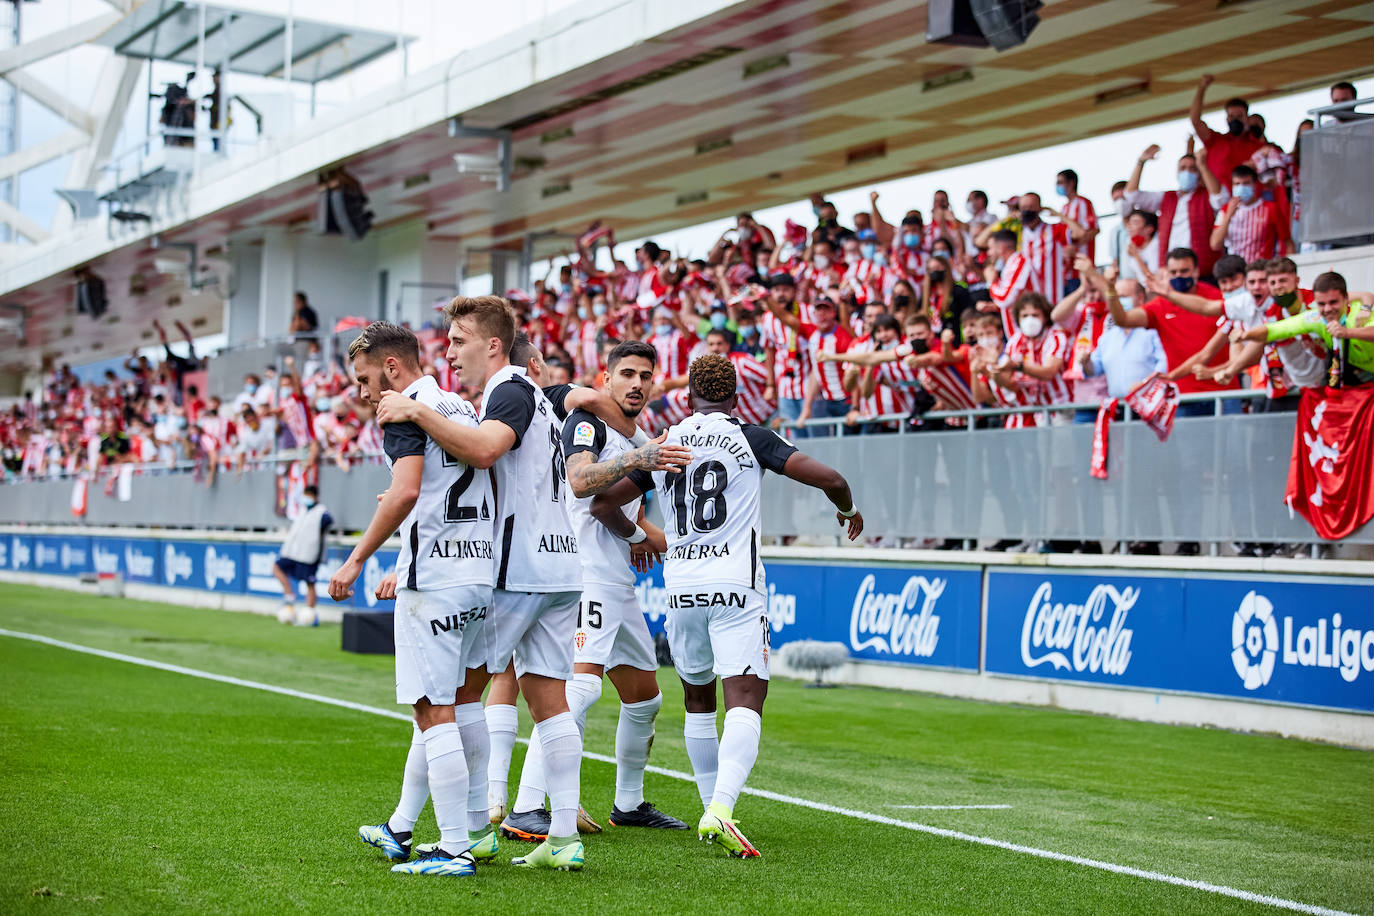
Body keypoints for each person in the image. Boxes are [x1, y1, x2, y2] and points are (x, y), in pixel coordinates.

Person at [372, 297, 657, 872]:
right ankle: (561, 836)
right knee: (550, 702)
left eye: (458, 340)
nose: (449, 352)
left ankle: (464, 836)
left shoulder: (509, 390)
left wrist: (414, 410)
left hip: (516, 571)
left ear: (494, 346)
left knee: (450, 700)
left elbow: (482, 451)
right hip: (562, 569)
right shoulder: (549, 407)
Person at [590, 353, 863, 857]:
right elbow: (832, 479)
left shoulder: (665, 443)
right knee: (746, 699)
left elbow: (602, 504)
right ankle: (720, 807)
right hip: (736, 586)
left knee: (698, 699)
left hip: (682, 588)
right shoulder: (751, 437)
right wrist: (847, 508)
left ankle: (710, 808)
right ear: (735, 396)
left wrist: (639, 537)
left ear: (688, 395)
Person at [332, 321, 497, 878]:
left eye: (365, 378)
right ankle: (459, 829)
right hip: (480, 573)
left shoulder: (401, 409)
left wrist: (357, 558)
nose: (363, 393)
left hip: (438, 578)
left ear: (393, 367)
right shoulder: (462, 408)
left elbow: (406, 492)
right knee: (463, 700)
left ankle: (453, 849)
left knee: (433, 711)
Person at [1235, 272, 1374, 387]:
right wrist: (1245, 335)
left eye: (1333, 302)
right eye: (1321, 304)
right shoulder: (1316, 319)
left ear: (1346, 299)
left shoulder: (1360, 314)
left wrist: (1348, 333)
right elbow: (1273, 330)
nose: (1327, 309)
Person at [1124, 143, 1227, 280]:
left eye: (1192, 169)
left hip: (1204, 272)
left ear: (1199, 173)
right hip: (1171, 273)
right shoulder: (1167, 198)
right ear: (1177, 172)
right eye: (1183, 168)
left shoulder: (1206, 196)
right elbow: (1131, 195)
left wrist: (1203, 165)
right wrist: (1141, 162)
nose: (1187, 172)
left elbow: (1221, 200)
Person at [272, 484, 333, 626]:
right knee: (277, 568)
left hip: (309, 554)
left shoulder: (322, 512)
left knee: (310, 583)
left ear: (315, 497)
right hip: (293, 552)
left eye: (309, 495)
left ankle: (309, 612)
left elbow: (328, 522)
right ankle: (289, 596)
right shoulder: (302, 510)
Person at [1189, 74, 1263, 183]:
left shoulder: (1258, 147)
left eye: (1240, 116)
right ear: (1226, 118)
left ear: (1247, 118)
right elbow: (1195, 120)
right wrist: (1201, 88)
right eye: (1231, 116)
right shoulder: (1215, 141)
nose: (1235, 120)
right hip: (1218, 198)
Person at [1210, 165, 1290, 262]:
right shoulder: (1225, 209)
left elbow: (1287, 242)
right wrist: (1228, 215)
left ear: (1255, 184)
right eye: (1237, 184)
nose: (1241, 187)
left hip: (1261, 271)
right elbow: (1215, 244)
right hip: (1235, 270)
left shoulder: (1270, 209)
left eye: (1246, 183)